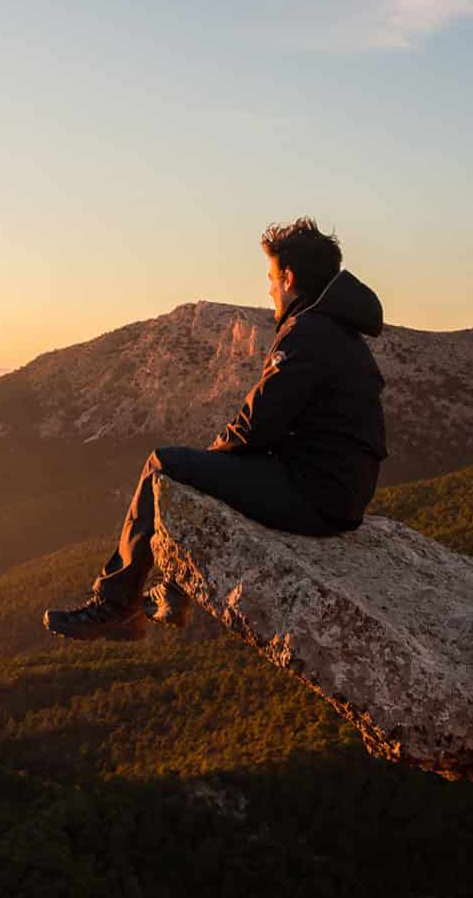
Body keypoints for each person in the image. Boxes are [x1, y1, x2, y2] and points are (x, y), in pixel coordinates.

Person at [43, 218, 387, 641]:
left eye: (271, 278)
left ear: (289, 277)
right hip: (335, 492)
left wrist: (207, 461)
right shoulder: (340, 332)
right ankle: (173, 588)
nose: (269, 289)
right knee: (204, 469)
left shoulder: (308, 333)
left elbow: (257, 423)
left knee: (162, 464)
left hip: (313, 496)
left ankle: (115, 606)